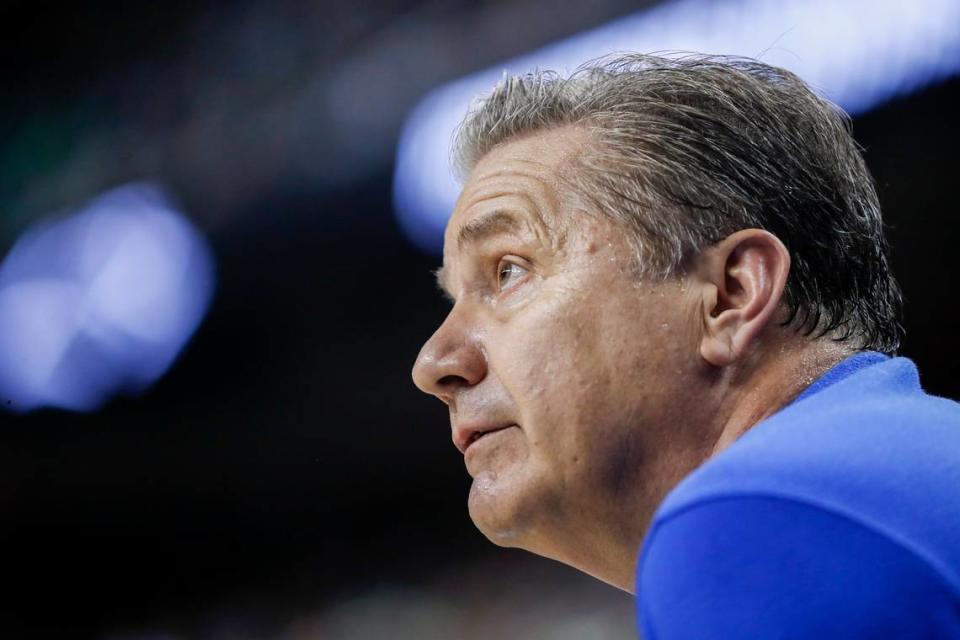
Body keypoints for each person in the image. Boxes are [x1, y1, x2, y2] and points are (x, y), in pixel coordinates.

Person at [411, 54, 960, 637]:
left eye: (509, 272)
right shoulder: (874, 474)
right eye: (455, 298)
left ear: (731, 295)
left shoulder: (760, 516)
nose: (434, 363)